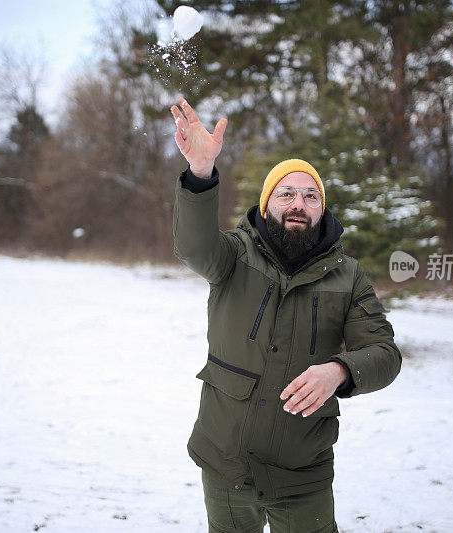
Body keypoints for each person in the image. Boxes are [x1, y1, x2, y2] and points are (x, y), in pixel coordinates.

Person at [170, 97, 401, 533]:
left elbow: (385, 354)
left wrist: (339, 370)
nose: (299, 202)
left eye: (311, 195)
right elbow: (193, 248)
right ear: (267, 202)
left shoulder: (348, 275)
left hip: (303, 471)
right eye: (287, 193)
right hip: (226, 462)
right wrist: (201, 174)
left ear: (322, 208)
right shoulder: (234, 255)